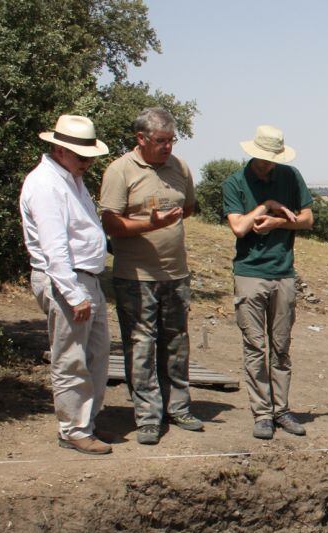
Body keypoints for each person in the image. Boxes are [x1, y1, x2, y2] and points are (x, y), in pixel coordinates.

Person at [100, 108, 200, 445]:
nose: (168, 147)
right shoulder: (120, 170)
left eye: (172, 140)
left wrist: (166, 223)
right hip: (136, 276)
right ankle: (147, 416)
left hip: (176, 273)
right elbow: (111, 225)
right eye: (161, 141)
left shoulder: (180, 167)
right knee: (141, 346)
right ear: (140, 139)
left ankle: (178, 407)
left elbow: (186, 208)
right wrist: (150, 225)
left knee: (176, 342)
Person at [19, 114, 112, 455]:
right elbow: (53, 246)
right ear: (59, 149)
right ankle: (73, 429)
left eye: (89, 156)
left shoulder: (70, 178)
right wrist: (73, 293)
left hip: (87, 279)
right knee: (72, 357)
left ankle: (86, 420)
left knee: (96, 353)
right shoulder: (46, 184)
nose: (87, 162)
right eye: (81, 156)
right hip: (68, 279)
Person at [222, 125, 314, 440]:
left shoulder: (291, 176)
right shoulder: (234, 182)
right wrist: (267, 205)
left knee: (281, 346)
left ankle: (282, 409)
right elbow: (239, 228)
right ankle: (262, 413)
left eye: (273, 159)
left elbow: (308, 219)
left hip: (283, 272)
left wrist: (280, 222)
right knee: (254, 346)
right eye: (264, 158)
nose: (269, 164)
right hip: (249, 273)